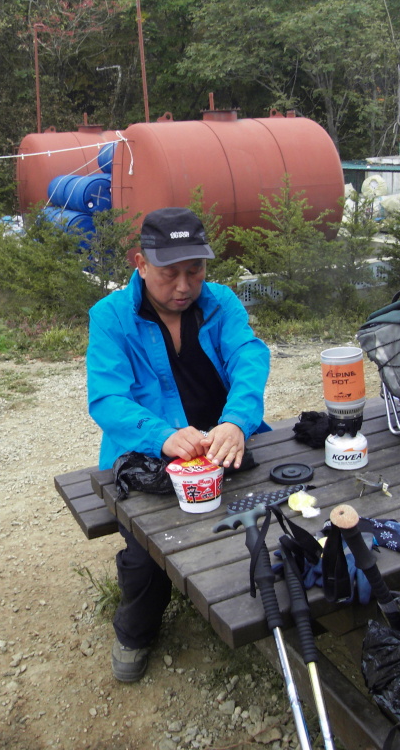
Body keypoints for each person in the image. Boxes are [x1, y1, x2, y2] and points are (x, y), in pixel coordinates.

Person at [86, 206, 270, 682]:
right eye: (169, 273)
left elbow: (250, 356)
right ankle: (135, 631)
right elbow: (106, 398)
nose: (184, 286)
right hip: (150, 461)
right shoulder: (109, 318)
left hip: (225, 449)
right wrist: (163, 436)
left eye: (195, 270)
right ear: (139, 262)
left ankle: (274, 607)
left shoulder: (222, 302)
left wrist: (237, 420)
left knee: (285, 514)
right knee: (148, 553)